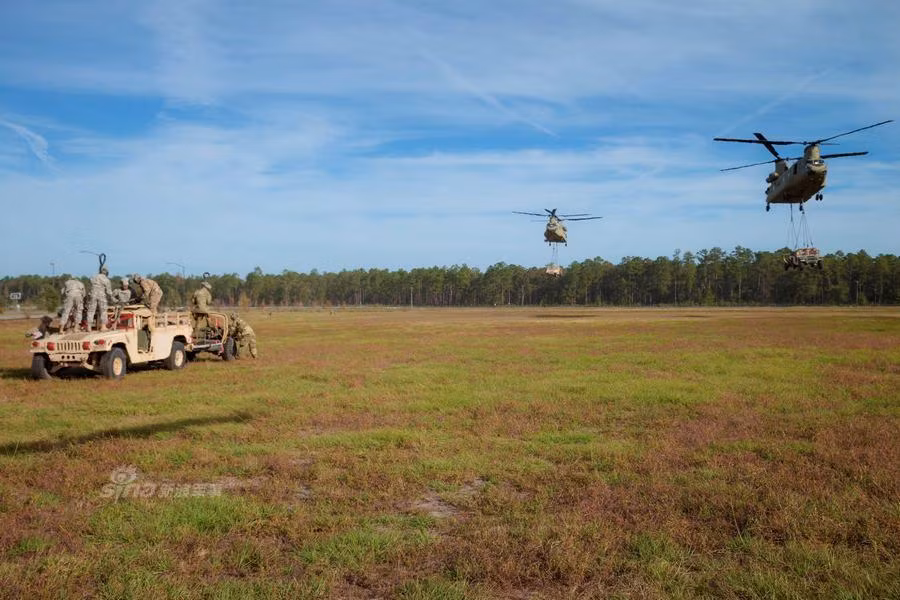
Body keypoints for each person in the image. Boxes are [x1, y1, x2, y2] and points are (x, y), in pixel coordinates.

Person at [86, 266, 114, 331]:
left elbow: (90, 280)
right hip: (101, 295)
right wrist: (113, 298)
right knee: (103, 311)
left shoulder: (93, 276)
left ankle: (88, 327)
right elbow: (109, 292)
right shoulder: (106, 279)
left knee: (91, 310)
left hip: (92, 294)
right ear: (107, 272)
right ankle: (103, 327)